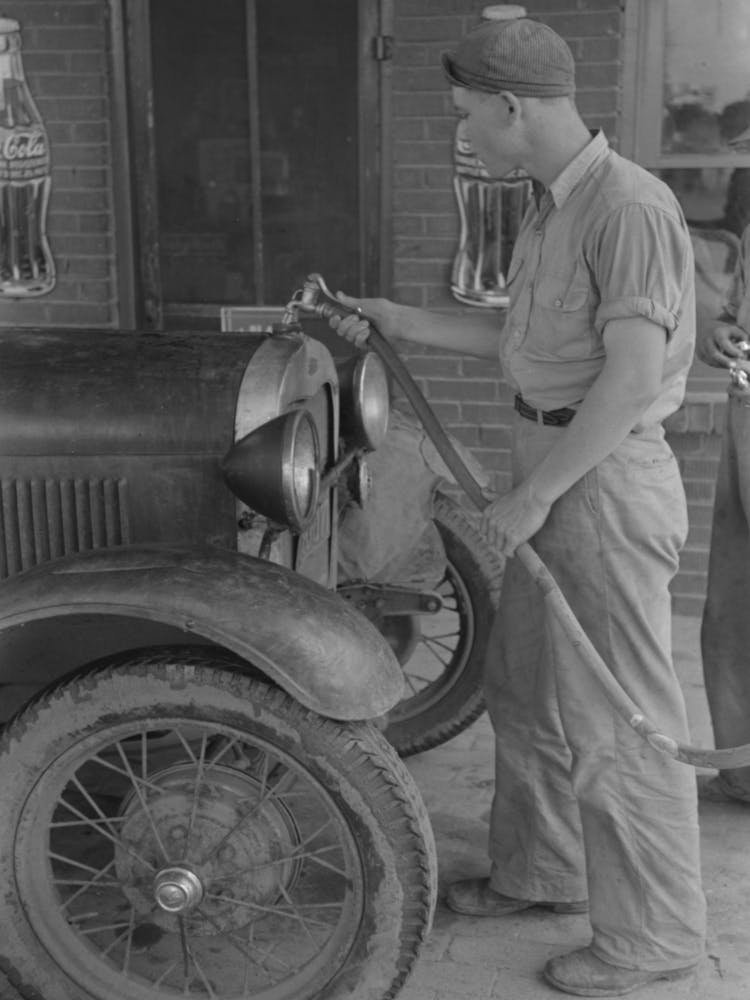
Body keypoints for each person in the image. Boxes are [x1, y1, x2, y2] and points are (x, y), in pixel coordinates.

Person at [327, 15, 706, 998]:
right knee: (529, 689)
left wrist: (535, 497)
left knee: (619, 718)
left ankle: (653, 939)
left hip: (602, 477)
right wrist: (395, 318)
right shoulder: (554, 205)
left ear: (511, 106)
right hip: (549, 459)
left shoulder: (630, 206)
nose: (464, 136)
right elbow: (525, 337)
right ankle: (544, 874)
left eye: (465, 117)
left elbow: (625, 378)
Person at [696, 216, 750, 806]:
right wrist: (721, 331)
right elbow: (736, 311)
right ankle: (742, 773)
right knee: (732, 611)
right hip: (746, 419)